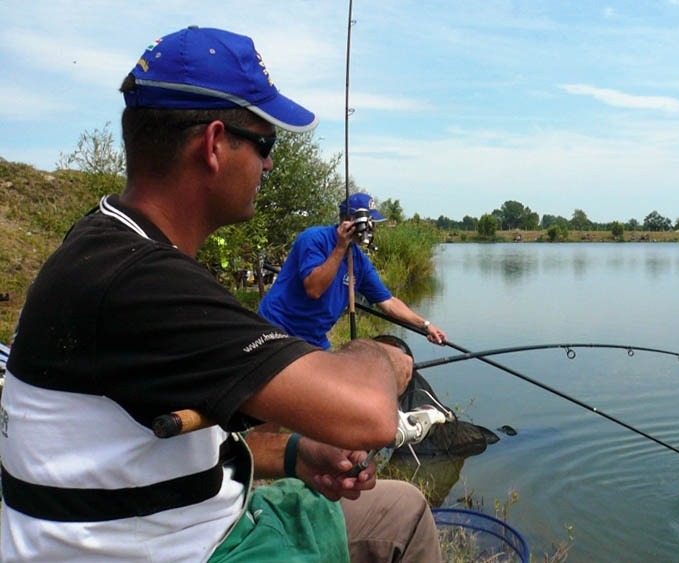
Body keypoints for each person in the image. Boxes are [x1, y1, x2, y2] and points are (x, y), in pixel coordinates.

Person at [0, 26, 441, 562]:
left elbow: (165, 452)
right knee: (399, 508)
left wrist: (298, 454)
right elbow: (369, 414)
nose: (269, 164)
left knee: (402, 509)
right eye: (265, 144)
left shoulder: (105, 244)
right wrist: (384, 354)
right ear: (212, 144)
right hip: (164, 549)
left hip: (165, 522)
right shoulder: (139, 281)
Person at [258, 192, 448, 349]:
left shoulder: (359, 261)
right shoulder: (314, 239)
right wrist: (341, 247)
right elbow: (314, 289)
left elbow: (388, 302)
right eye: (370, 223)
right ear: (351, 221)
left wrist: (426, 325)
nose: (372, 230)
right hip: (278, 330)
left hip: (314, 339)